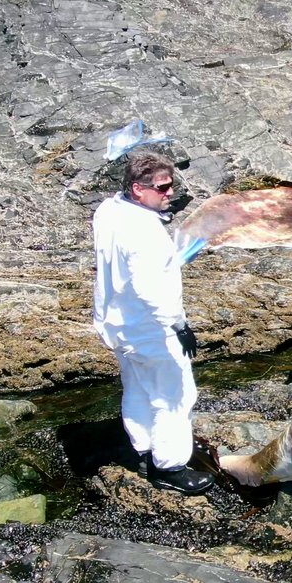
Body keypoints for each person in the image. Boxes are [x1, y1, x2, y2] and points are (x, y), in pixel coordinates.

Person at [92, 150, 214, 496]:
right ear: (137, 189)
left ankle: (144, 450)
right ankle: (170, 467)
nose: (170, 193)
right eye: (161, 187)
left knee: (138, 386)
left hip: (117, 324)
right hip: (149, 328)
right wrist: (179, 326)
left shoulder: (109, 210)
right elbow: (150, 288)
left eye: (171, 185)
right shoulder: (144, 231)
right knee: (175, 395)